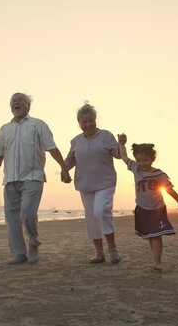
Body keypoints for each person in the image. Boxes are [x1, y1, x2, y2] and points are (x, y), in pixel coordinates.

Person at [0, 92, 71, 265]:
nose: (16, 103)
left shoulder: (38, 125)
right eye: (13, 101)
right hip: (10, 179)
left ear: (28, 106)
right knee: (11, 219)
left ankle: (33, 243)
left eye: (20, 101)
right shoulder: (4, 129)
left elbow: (52, 148)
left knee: (27, 213)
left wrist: (64, 167)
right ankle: (18, 253)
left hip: (33, 177)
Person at [117, 134, 178, 272]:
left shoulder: (159, 174)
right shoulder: (135, 168)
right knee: (150, 235)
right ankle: (156, 259)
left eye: (145, 160)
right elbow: (124, 157)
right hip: (142, 209)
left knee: (156, 235)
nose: (142, 163)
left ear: (152, 159)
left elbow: (169, 190)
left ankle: (157, 262)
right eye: (139, 160)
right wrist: (122, 144)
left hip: (157, 209)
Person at [64, 102, 122, 265]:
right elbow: (70, 160)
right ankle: (99, 253)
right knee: (91, 218)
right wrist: (64, 170)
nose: (88, 124)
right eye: (84, 122)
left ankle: (113, 249)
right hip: (85, 184)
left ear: (95, 120)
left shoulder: (105, 136)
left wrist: (121, 144)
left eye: (90, 120)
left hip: (105, 182)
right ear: (79, 123)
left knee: (101, 211)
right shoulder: (76, 141)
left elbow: (117, 154)